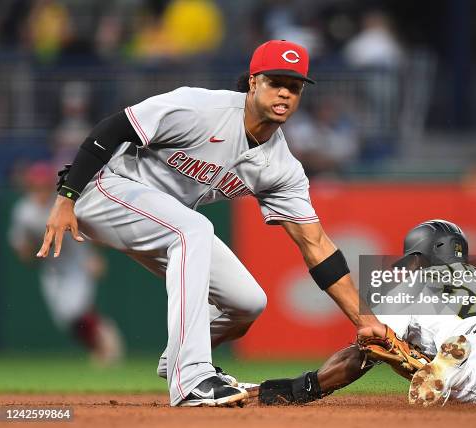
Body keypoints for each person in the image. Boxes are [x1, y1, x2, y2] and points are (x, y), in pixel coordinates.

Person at [36, 40, 388, 408]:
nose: (285, 92)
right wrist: (67, 196)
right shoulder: (202, 108)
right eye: (275, 82)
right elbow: (112, 128)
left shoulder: (282, 167)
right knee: (194, 230)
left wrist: (366, 321)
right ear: (253, 83)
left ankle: (177, 358)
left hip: (161, 215)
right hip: (104, 189)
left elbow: (317, 246)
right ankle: (191, 379)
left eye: (294, 86)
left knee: (246, 302)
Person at [257, 219, 476, 406]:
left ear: (417, 258)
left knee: (457, 382)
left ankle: (449, 371)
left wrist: (306, 386)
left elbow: (365, 350)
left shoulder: (409, 287)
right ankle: (441, 365)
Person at [9, 162, 123, 365]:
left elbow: (88, 228)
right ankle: (99, 340)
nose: (41, 190)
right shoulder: (24, 211)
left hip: (77, 264)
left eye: (44, 185)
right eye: (37, 186)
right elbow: (21, 244)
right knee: (66, 319)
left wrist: (94, 256)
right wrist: (26, 251)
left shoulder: (63, 204)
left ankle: (103, 340)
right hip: (52, 270)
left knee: (76, 310)